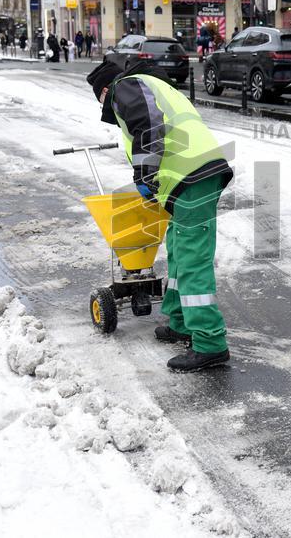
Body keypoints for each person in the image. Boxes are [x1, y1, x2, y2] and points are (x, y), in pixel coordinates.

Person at [86, 58, 234, 372]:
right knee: (179, 250)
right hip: (191, 176)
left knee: (192, 258)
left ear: (104, 90)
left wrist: (144, 174)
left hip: (192, 176)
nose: (105, 106)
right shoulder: (154, 84)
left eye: (100, 98)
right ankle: (181, 321)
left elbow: (148, 122)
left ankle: (210, 342)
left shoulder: (125, 87)